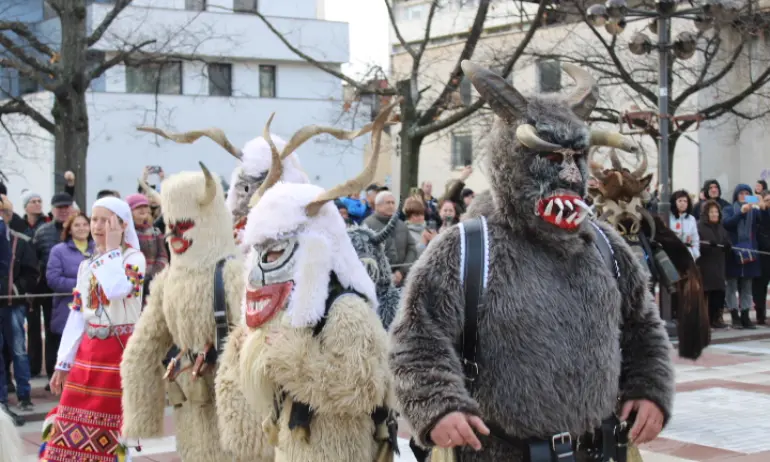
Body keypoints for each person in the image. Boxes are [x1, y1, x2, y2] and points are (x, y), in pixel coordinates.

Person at [390, 61, 674, 462]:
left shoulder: (606, 246)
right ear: (512, 160)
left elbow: (642, 329)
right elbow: (416, 342)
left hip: (598, 450)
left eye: (576, 157)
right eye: (553, 160)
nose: (573, 178)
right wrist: (439, 405)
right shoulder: (468, 247)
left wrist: (649, 390)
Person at [216, 100, 397, 462]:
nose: (262, 265)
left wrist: (288, 356)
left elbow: (362, 386)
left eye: (274, 251)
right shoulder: (282, 305)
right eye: (261, 250)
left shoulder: (346, 308)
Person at [121, 164, 244, 462]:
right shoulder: (167, 280)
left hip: (232, 402)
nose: (173, 234)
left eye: (183, 225)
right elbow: (145, 345)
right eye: (170, 226)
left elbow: (253, 339)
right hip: (190, 397)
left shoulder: (234, 273)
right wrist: (141, 413)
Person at [39, 197, 146, 462]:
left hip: (119, 353)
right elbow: (77, 315)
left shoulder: (134, 258)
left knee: (115, 428)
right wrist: (63, 362)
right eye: (94, 219)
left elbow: (118, 289)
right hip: (88, 352)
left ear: (122, 225)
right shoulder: (87, 265)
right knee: (69, 421)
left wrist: (111, 251)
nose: (97, 226)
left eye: (105, 220)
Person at [46, 212, 94, 380]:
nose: (82, 228)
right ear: (69, 229)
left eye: (85, 224)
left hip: (95, 309)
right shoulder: (59, 250)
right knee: (69, 350)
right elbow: (53, 279)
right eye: (77, 225)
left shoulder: (98, 249)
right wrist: (82, 285)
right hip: (66, 307)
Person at [32, 192, 74, 384]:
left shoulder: (80, 228)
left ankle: (73, 373)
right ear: (52, 209)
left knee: (74, 333)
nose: (63, 211)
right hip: (49, 291)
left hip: (74, 293)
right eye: (59, 208)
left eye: (66, 207)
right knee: (52, 333)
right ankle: (52, 374)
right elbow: (35, 262)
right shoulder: (42, 232)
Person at [0, 196, 38, 412]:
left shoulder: (21, 241)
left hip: (13, 304)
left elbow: (32, 273)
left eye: (4, 213)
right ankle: (3, 398)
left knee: (18, 350)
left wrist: (14, 289)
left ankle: (24, 395)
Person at [722, 184, 768, 329]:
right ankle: (734, 315)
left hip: (751, 252)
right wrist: (741, 212)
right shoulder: (729, 209)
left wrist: (763, 207)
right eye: (741, 193)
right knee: (732, 285)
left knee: (748, 286)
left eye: (747, 193)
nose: (744, 195)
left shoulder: (754, 211)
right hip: (734, 253)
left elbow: (766, 223)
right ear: (736, 195)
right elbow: (727, 224)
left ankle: (746, 315)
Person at [697, 201, 731, 329]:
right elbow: (696, 243)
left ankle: (717, 318)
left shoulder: (721, 227)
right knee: (707, 293)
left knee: (719, 292)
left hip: (719, 264)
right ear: (706, 213)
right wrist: (706, 244)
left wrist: (728, 246)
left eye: (716, 211)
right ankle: (706, 320)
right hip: (706, 264)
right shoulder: (700, 226)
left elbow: (726, 241)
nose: (714, 214)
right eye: (711, 212)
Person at [670, 190, 700, 260]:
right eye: (680, 201)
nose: (682, 203)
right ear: (674, 202)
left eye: (685, 201)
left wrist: (695, 254)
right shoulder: (669, 218)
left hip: (688, 255)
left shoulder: (691, 219)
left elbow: (695, 239)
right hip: (672, 255)